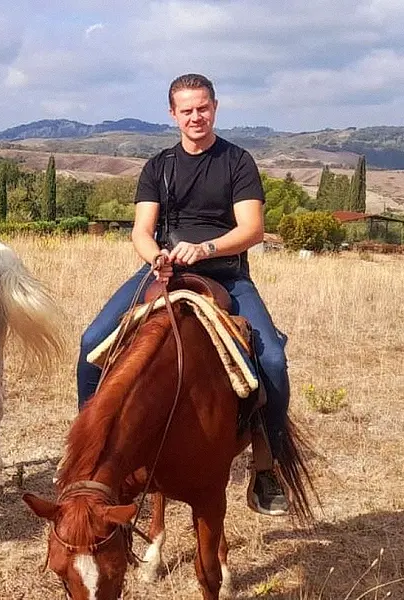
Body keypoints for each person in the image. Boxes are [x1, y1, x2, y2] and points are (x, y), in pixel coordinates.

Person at [76, 73, 291, 516]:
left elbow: (251, 229)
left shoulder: (237, 161)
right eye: (186, 110)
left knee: (272, 360)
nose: (196, 116)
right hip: (163, 272)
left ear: (215, 108)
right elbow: (141, 229)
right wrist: (156, 256)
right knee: (90, 343)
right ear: (172, 114)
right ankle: (91, 449)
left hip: (227, 274)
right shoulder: (159, 166)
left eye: (203, 107)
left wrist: (208, 247)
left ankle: (267, 464)